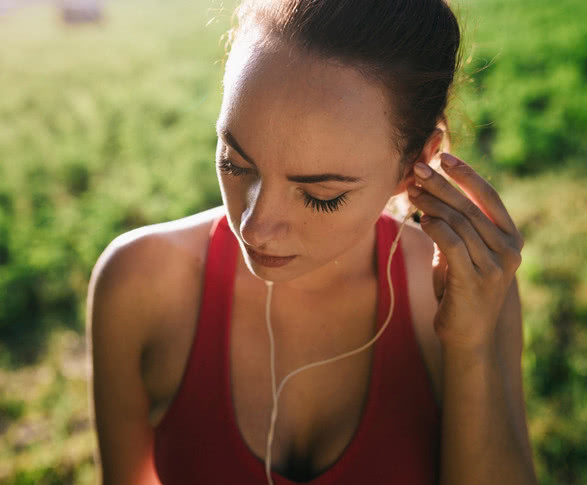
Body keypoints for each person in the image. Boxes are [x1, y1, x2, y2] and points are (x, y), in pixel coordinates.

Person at [87, 0, 538, 484]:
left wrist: (469, 347)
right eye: (235, 163)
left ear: (414, 168)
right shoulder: (137, 284)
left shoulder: (469, 289)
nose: (255, 227)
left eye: (321, 195)